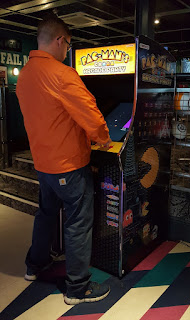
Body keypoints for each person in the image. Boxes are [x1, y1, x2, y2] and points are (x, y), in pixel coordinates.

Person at [16, 15, 111, 305]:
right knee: (78, 223)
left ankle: (35, 265)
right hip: (69, 165)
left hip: (43, 164)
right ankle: (77, 289)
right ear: (60, 40)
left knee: (45, 215)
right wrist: (105, 140)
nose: (67, 50)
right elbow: (91, 116)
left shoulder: (26, 74)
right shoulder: (62, 74)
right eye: (68, 44)